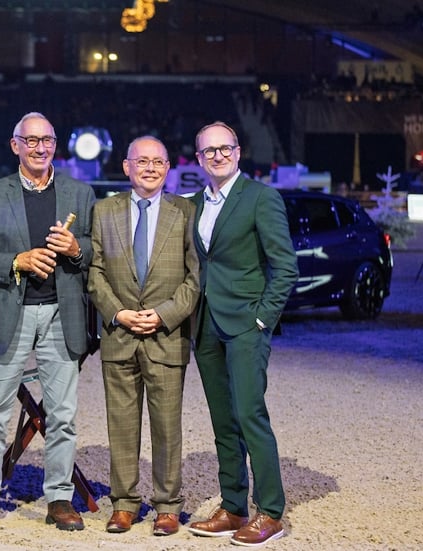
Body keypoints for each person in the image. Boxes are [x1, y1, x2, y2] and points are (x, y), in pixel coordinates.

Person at [0, 112, 95, 531]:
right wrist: (16, 261)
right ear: (15, 145)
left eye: (46, 139)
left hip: (61, 312)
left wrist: (75, 248)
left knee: (63, 414)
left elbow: (95, 250)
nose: (39, 147)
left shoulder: (80, 193)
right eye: (30, 140)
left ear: (56, 144)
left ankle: (59, 499)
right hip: (9, 312)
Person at [185, 121, 298, 547]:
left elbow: (285, 266)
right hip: (207, 324)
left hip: (245, 324)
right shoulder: (192, 204)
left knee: (250, 415)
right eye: (208, 150)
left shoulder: (261, 198)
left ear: (238, 151)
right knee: (222, 421)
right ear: (198, 158)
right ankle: (233, 506)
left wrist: (263, 318)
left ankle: (270, 511)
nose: (217, 155)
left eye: (224, 148)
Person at [87, 136, 200, 536]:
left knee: (167, 426)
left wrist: (165, 314)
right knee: (121, 423)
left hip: (166, 336)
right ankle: (124, 504)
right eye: (142, 161)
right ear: (127, 166)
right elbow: (94, 272)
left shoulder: (185, 211)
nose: (150, 168)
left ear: (168, 168)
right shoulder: (103, 211)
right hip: (119, 334)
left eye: (158, 162)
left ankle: (167, 506)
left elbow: (194, 276)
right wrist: (118, 312)